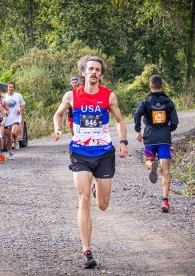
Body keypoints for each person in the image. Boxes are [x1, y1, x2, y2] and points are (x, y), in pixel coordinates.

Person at [52, 56, 128, 269]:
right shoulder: (72, 95)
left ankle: (97, 188)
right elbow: (58, 115)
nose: (93, 72)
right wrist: (58, 129)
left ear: (101, 74)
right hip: (80, 152)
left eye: (97, 70)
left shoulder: (109, 96)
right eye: (90, 69)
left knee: (102, 205)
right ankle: (87, 250)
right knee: (83, 199)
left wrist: (122, 142)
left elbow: (121, 120)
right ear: (83, 72)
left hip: (104, 153)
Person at [134, 74, 179, 213]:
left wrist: (138, 130)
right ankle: (165, 201)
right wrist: (166, 129)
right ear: (162, 86)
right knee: (165, 171)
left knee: (147, 160)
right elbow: (175, 122)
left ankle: (151, 165)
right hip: (164, 140)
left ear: (150, 86)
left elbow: (137, 115)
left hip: (150, 139)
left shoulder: (146, 102)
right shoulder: (168, 102)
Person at [3, 82, 25, 160]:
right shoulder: (4, 97)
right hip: (7, 118)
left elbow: (23, 104)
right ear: (7, 88)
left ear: (14, 88)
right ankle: (10, 152)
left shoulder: (18, 95)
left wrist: (20, 110)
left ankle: (15, 140)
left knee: (13, 132)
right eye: (10, 87)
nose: (11, 88)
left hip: (16, 117)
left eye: (12, 87)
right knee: (8, 137)